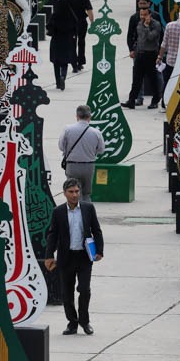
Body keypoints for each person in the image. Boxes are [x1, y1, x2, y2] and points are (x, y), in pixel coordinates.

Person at [44, 178, 104, 335]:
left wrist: (99, 251)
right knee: (67, 293)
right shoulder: (58, 212)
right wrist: (49, 255)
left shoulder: (88, 208)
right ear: (64, 193)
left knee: (84, 289)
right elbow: (52, 235)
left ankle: (85, 321)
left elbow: (96, 230)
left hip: (84, 256)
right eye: (71, 192)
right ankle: (72, 322)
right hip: (66, 257)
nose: (74, 195)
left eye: (77, 191)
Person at [58, 105, 105, 201]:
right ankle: (86, 209)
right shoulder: (96, 132)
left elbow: (61, 146)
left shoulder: (68, 129)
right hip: (88, 166)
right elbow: (101, 150)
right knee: (86, 193)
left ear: (77, 116)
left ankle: (74, 209)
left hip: (72, 166)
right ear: (90, 117)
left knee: (73, 192)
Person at [122, 4, 163, 110]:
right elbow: (141, 38)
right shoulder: (139, 24)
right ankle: (131, 100)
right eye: (141, 15)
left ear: (150, 15)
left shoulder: (156, 25)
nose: (142, 17)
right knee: (136, 79)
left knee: (152, 78)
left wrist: (147, 26)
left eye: (145, 15)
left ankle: (155, 100)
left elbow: (150, 37)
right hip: (140, 54)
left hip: (151, 54)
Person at [126, 0, 154, 105]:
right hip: (138, 50)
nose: (142, 6)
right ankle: (138, 97)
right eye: (140, 4)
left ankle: (157, 98)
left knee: (155, 75)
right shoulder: (134, 18)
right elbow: (130, 35)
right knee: (138, 75)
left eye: (144, 3)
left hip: (152, 50)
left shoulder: (154, 16)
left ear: (149, 4)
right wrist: (131, 49)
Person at [48, 0, 78, 90]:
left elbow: (49, 26)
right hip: (67, 41)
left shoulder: (55, 15)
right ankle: (63, 77)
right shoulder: (71, 15)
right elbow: (76, 26)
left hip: (56, 40)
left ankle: (58, 82)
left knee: (56, 63)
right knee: (65, 62)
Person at [64, 0, 94, 72]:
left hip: (70, 23)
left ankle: (74, 64)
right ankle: (80, 62)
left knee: (72, 43)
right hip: (82, 22)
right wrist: (92, 22)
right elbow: (89, 10)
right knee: (81, 42)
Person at [157, 16, 180, 101]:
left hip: (170, 60)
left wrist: (160, 57)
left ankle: (164, 101)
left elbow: (164, 44)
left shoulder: (170, 26)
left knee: (167, 82)